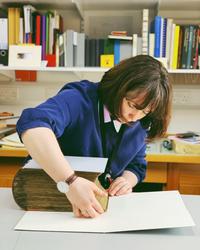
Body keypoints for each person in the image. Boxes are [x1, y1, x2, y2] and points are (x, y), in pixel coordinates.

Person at [16, 55, 172, 218]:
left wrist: (126, 181)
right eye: (132, 105)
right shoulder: (78, 99)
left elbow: (136, 165)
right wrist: (70, 182)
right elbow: (33, 125)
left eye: (145, 112)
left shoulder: (141, 121)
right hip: (47, 202)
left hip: (94, 211)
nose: (134, 117)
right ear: (119, 87)